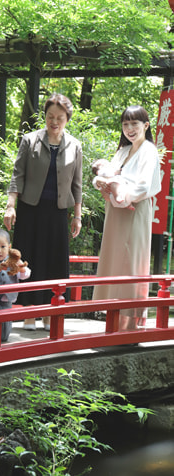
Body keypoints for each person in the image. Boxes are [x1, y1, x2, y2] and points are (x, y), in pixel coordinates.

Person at [3, 93, 82, 331]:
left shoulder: (75, 145)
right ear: (44, 117)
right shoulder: (29, 140)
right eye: (50, 116)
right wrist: (10, 205)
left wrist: (77, 215)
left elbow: (77, 184)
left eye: (59, 117)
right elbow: (18, 175)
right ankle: (29, 313)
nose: (54, 121)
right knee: (29, 260)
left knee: (54, 263)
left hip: (58, 212)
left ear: (67, 118)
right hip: (30, 209)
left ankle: (50, 314)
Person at [92, 105, 161, 331]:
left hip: (134, 210)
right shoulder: (122, 151)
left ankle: (130, 325)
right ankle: (111, 317)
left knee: (131, 262)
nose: (130, 129)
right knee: (113, 260)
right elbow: (106, 174)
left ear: (145, 125)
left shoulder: (149, 150)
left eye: (134, 124)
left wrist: (123, 195)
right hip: (116, 212)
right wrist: (104, 185)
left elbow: (143, 186)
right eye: (125, 124)